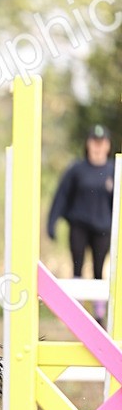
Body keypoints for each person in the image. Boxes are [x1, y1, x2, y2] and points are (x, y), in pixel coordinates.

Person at [47, 124, 116, 323]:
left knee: (98, 268)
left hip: (102, 228)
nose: (97, 146)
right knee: (77, 265)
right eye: (94, 142)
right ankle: (77, 312)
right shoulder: (77, 169)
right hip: (79, 225)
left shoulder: (113, 170)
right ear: (88, 144)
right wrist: (52, 222)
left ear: (107, 146)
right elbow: (61, 196)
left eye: (101, 142)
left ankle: (99, 314)